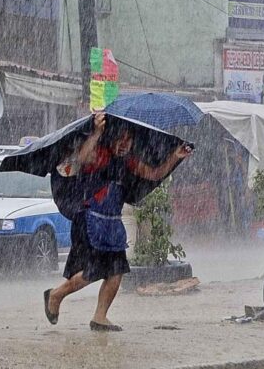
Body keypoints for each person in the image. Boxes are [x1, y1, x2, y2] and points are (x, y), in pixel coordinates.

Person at [43, 112, 192, 331]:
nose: (124, 144)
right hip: (89, 221)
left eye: (128, 139)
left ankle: (99, 317)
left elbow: (154, 173)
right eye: (119, 138)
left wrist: (175, 157)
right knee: (91, 271)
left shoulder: (129, 162)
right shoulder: (98, 154)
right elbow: (81, 159)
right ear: (111, 138)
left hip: (112, 224)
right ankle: (55, 295)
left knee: (116, 270)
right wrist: (97, 133)